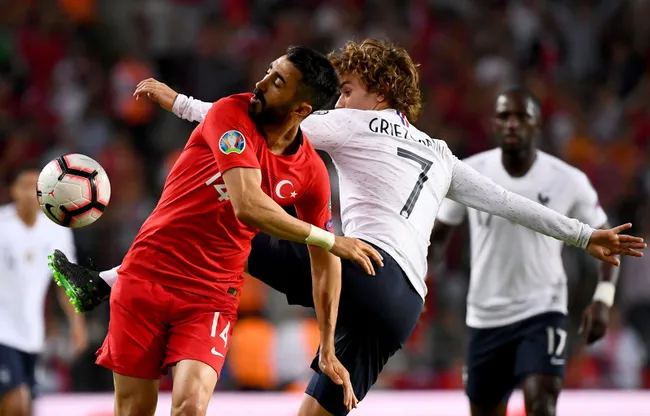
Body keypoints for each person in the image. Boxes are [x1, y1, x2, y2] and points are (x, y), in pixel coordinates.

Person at [50, 39, 645, 416]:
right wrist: (582, 235)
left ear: (379, 94)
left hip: (363, 265)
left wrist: (176, 101)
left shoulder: (356, 124)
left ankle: (105, 281)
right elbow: (507, 201)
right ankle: (110, 282)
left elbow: (250, 122)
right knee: (319, 410)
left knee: (235, 214)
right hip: (404, 304)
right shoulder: (440, 153)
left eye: (349, 90)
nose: (339, 101)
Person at [61, 46, 385, 416]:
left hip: (210, 296)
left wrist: (327, 347)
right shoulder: (232, 112)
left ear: (300, 110)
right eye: (269, 71)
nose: (261, 83)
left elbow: (325, 262)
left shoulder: (310, 172)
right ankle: (106, 280)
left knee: (190, 406)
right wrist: (330, 239)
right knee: (134, 409)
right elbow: (247, 204)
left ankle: (101, 281)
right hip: (145, 277)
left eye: (278, 82)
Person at [431, 88, 626, 416]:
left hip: (542, 311)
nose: (512, 123)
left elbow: (609, 241)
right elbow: (437, 239)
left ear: (537, 124)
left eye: (521, 117)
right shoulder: (469, 173)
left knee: (541, 403)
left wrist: (603, 299)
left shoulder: (568, 180)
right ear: (493, 123)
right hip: (485, 316)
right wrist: (415, 284)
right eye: (504, 116)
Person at [0, 163, 88, 416]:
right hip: (2, 332)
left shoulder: (56, 230)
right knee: (16, 400)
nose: (31, 193)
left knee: (27, 406)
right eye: (25, 186)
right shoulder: (3, 225)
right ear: (13, 190)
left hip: (31, 333)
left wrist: (77, 323)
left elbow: (64, 281)